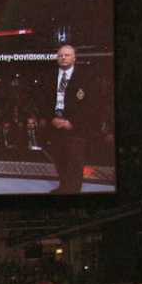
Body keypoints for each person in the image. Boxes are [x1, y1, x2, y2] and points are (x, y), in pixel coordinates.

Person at [45, 43, 99, 194]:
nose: (63, 58)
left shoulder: (86, 78)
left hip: (76, 129)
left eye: (67, 55)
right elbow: (43, 101)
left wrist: (73, 122)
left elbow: (91, 105)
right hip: (55, 126)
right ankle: (63, 188)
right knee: (60, 160)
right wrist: (51, 118)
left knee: (75, 163)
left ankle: (73, 192)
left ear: (74, 58)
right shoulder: (50, 76)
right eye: (60, 55)